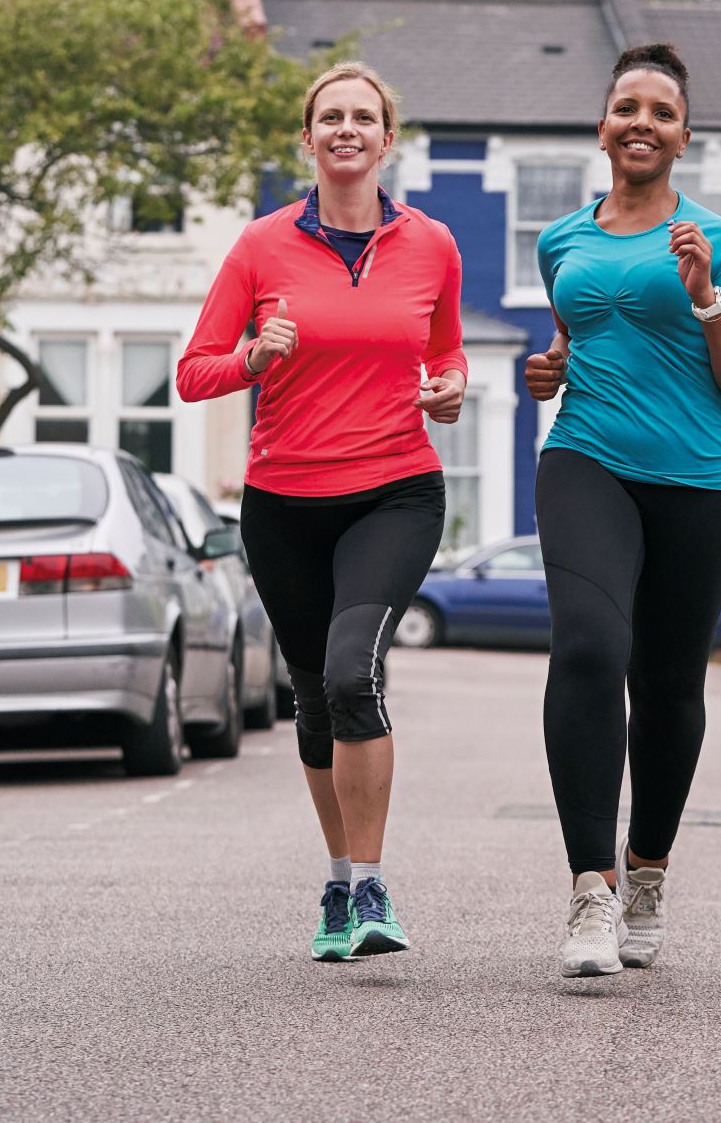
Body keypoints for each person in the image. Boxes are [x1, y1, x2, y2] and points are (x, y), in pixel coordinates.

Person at [177, 62, 467, 963]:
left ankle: (373, 882)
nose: (346, 129)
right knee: (311, 699)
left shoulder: (432, 246)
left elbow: (447, 353)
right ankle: (339, 884)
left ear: (387, 139)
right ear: (308, 141)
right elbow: (193, 373)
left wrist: (451, 390)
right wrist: (255, 359)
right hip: (284, 501)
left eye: (364, 117)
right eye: (329, 117)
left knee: (351, 674)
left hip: (394, 489)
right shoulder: (260, 248)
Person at [524, 43, 721, 978]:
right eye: (625, 106)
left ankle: (647, 871)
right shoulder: (561, 240)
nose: (641, 122)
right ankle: (589, 893)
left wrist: (706, 297)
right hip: (585, 458)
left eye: (660, 112)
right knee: (588, 646)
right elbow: (573, 339)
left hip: (700, 484)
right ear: (602, 126)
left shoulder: (719, 240)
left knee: (668, 688)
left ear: (681, 135)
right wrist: (547, 370)